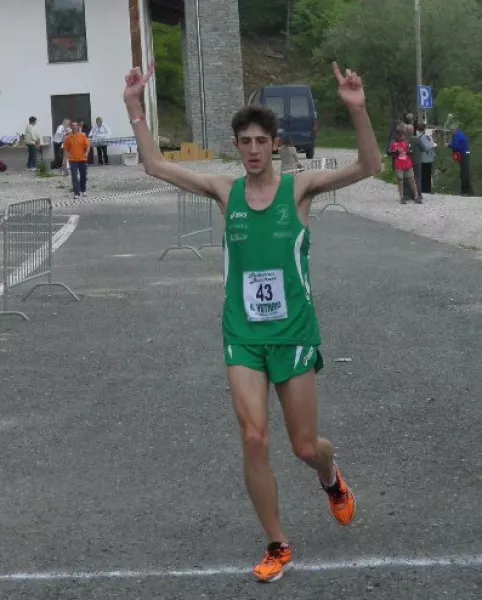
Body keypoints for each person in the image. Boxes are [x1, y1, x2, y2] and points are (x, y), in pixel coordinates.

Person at [123, 61, 382, 583]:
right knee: (254, 437)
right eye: (245, 141)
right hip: (242, 334)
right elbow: (154, 165)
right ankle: (277, 544)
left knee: (304, 446)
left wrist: (358, 111)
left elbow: (369, 166)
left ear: (274, 143)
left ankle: (331, 477)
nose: (254, 148)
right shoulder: (225, 191)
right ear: (237, 147)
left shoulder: (300, 189)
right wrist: (134, 107)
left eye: (262, 139)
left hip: (293, 334)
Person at [389, 126, 421, 204]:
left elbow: (411, 151)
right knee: (400, 180)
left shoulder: (406, 142)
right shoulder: (393, 143)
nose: (401, 137)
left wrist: (407, 151)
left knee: (412, 180)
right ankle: (402, 197)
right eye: (399, 135)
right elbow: (389, 153)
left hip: (407, 163)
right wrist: (396, 152)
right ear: (397, 135)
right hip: (399, 164)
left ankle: (416, 196)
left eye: (402, 135)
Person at [63, 121, 90, 199]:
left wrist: (86, 153)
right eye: (73, 126)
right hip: (73, 160)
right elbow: (65, 149)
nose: (74, 127)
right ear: (71, 127)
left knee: (83, 175)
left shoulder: (82, 135)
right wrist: (66, 160)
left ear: (78, 127)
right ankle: (76, 193)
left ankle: (83, 189)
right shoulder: (68, 138)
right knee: (74, 177)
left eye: (75, 126)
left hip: (82, 159)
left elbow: (88, 145)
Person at [448, 124, 474, 196]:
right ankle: (469, 191)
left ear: (456, 129)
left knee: (464, 174)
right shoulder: (461, 135)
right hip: (466, 155)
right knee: (465, 173)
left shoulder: (458, 136)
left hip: (464, 156)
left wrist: (449, 145)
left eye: (452, 130)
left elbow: (456, 147)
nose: (451, 132)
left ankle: (465, 192)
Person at [419, 123, 436, 194]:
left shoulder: (427, 137)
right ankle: (425, 189)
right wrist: (432, 143)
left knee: (428, 173)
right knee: (425, 174)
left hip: (428, 158)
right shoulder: (423, 137)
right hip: (425, 158)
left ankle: (427, 189)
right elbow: (426, 147)